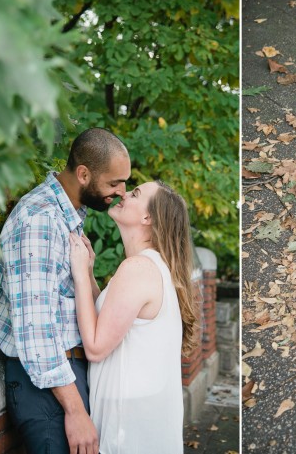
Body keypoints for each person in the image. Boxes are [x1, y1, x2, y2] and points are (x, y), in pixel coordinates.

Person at [0, 127, 131, 453]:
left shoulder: (65, 215)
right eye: (114, 183)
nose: (122, 192)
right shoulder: (40, 220)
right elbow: (37, 330)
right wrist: (74, 410)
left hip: (65, 374)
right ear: (83, 174)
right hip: (45, 388)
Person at [69, 180, 198, 454]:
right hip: (138, 418)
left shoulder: (138, 268)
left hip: (128, 427)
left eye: (136, 193)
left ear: (147, 217)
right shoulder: (149, 266)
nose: (124, 193)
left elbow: (95, 346)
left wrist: (80, 275)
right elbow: (106, 322)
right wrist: (90, 275)